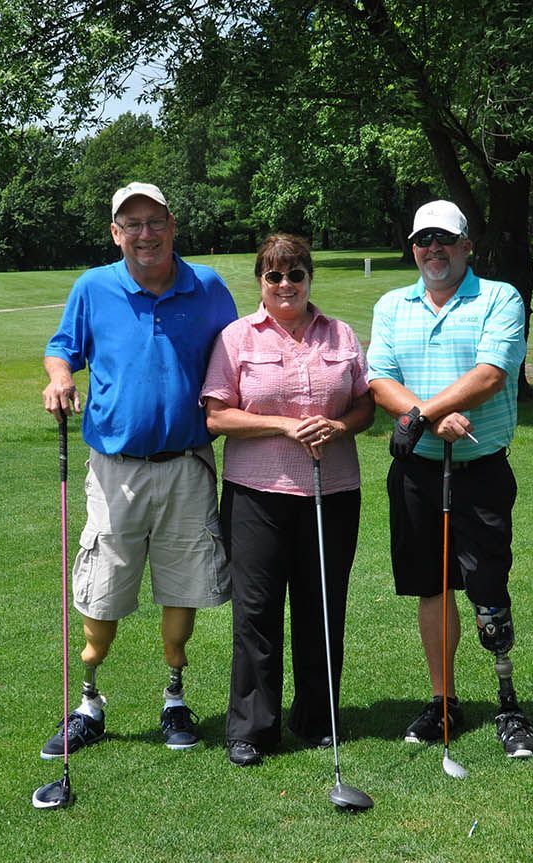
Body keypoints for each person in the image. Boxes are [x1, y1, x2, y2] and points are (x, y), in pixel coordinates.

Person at [40, 181, 237, 759]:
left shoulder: (207, 287)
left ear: (172, 226)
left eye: (155, 222)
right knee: (101, 592)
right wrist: (59, 377)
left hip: (187, 465)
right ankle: (88, 703)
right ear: (115, 233)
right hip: (115, 468)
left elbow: (237, 355)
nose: (145, 234)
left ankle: (174, 697)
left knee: (184, 588)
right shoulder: (93, 286)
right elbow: (62, 348)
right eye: (132, 224)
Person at [366, 199, 533, 759]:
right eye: (423, 240)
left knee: (488, 588)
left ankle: (508, 702)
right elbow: (379, 378)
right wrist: (431, 418)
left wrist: (420, 414)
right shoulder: (393, 305)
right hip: (416, 473)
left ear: (466, 245)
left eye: (444, 238)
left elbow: (491, 375)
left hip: (480, 470)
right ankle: (445, 700)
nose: (432, 249)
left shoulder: (499, 297)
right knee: (432, 587)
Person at [201, 234, 375, 767]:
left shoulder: (340, 334)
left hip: (332, 492)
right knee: (256, 612)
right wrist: (283, 425)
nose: (285, 284)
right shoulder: (237, 338)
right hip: (256, 496)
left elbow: (365, 406)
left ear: (309, 278)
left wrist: (338, 426)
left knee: (321, 606)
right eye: (274, 275)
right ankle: (253, 728)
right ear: (260, 280)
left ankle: (317, 718)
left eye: (295, 274)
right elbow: (217, 416)